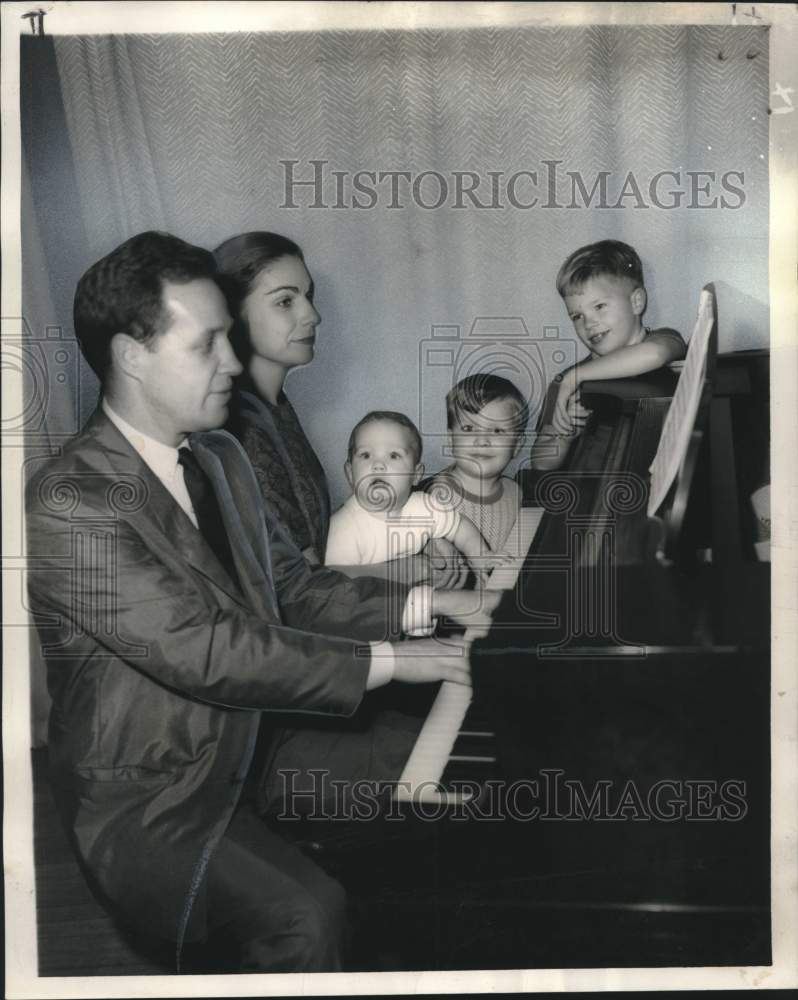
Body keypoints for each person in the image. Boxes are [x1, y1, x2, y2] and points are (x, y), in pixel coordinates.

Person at [25, 231, 494, 974]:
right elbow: (202, 649)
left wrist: (430, 603)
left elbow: (296, 589)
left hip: (258, 745)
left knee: (482, 774)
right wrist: (392, 658)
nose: (235, 363)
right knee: (306, 915)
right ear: (131, 355)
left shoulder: (220, 455)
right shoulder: (69, 503)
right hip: (158, 799)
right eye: (208, 344)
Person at [212, 230, 466, 586]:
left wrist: (429, 533)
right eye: (286, 301)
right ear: (233, 315)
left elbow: (316, 540)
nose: (313, 315)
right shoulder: (242, 429)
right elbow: (299, 584)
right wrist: (411, 566)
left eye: (308, 296)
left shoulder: (276, 407)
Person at [530, 240, 686, 471]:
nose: (589, 323)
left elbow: (654, 354)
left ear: (636, 302)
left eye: (599, 306)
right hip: (595, 496)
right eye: (577, 316)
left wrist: (576, 377)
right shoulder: (563, 384)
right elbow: (540, 462)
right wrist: (563, 436)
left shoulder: (664, 339)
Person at [324, 410, 512, 581]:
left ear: (415, 475)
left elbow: (459, 526)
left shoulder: (423, 507)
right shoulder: (344, 528)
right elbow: (332, 582)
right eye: (366, 455)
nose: (378, 465)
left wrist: (479, 554)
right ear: (350, 473)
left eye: (394, 456)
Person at [422, 375, 527, 553]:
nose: (482, 440)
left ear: (516, 445)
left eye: (497, 430)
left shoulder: (515, 492)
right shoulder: (434, 499)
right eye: (469, 428)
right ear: (450, 439)